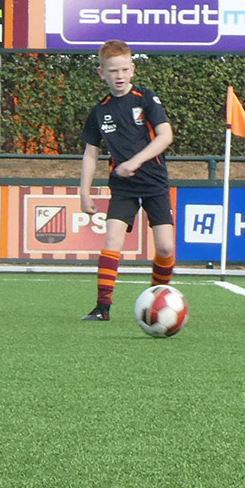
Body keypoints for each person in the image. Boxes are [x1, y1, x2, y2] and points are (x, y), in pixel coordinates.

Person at [78, 40, 176, 320]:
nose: (119, 75)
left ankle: (156, 300)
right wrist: (84, 192)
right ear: (102, 73)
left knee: (166, 247)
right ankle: (102, 308)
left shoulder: (146, 98)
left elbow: (166, 136)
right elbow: (90, 153)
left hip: (154, 182)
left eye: (123, 69)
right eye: (112, 71)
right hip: (123, 187)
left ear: (132, 69)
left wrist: (135, 162)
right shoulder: (100, 110)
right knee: (112, 239)